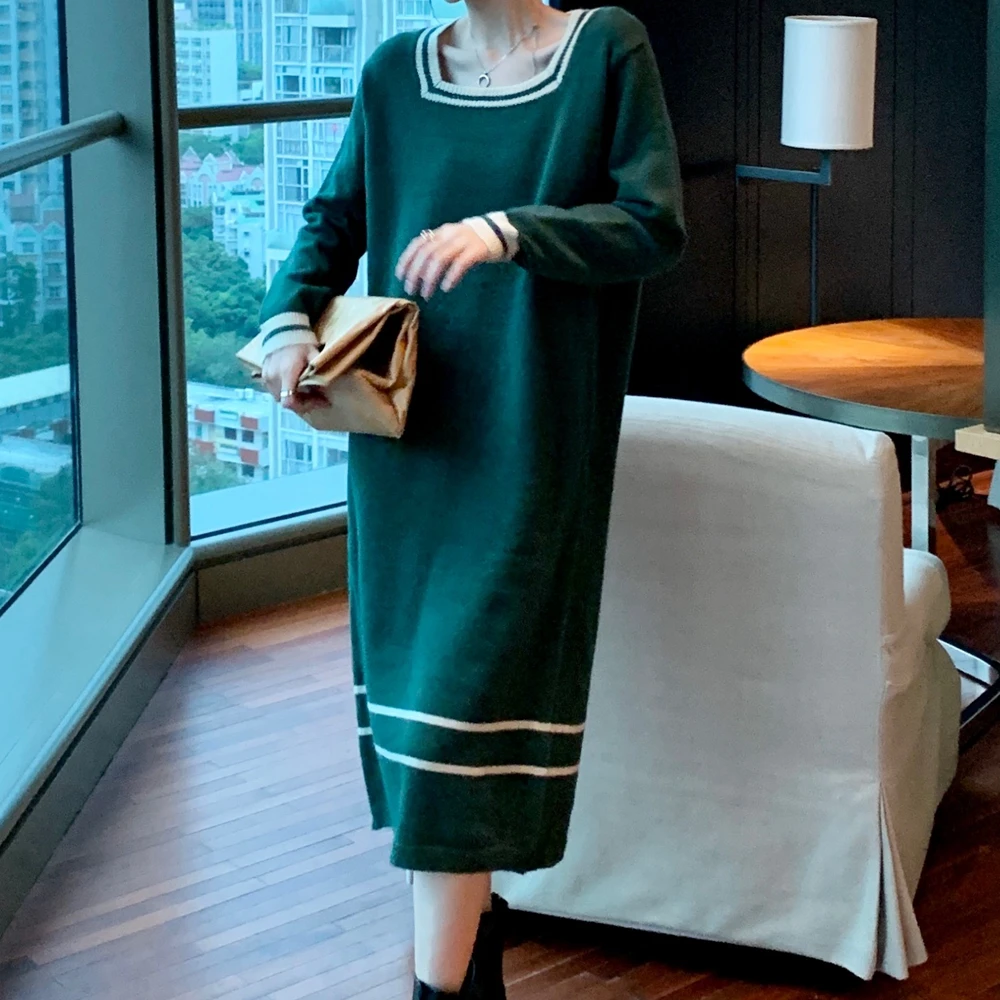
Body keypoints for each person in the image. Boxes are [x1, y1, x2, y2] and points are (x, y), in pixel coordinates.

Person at [258, 1, 686, 997]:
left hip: (529, 448)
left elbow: (652, 224)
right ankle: (472, 952)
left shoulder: (605, 49)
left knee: (461, 719)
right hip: (407, 457)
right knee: (424, 738)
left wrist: (508, 233)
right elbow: (333, 221)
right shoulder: (393, 71)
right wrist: (288, 321)